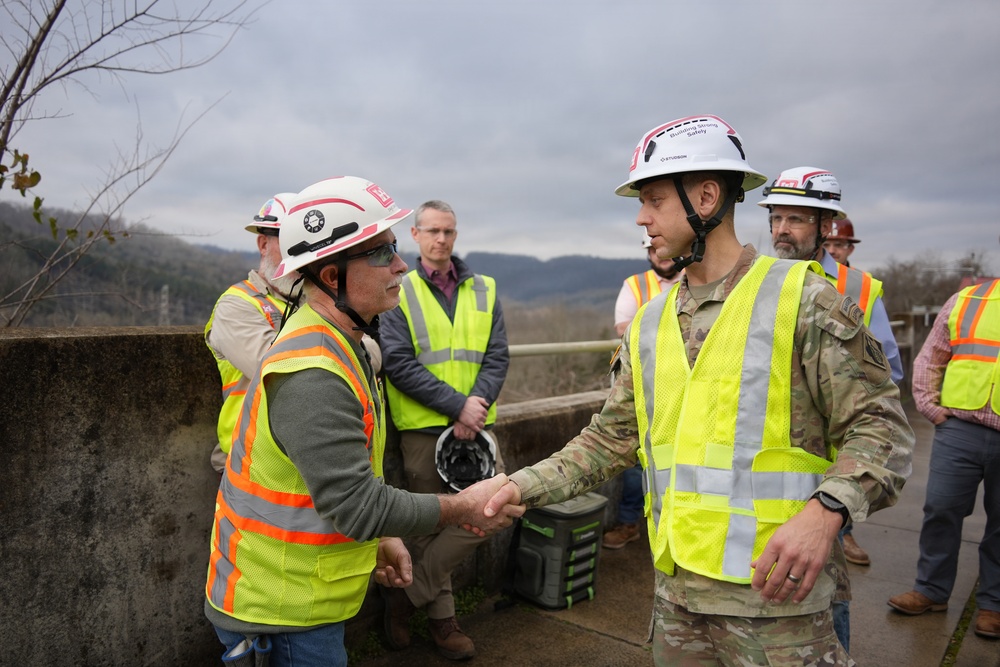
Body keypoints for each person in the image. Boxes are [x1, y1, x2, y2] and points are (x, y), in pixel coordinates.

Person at [483, 115, 913, 666]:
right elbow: (608, 440)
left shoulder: (803, 299)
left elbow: (881, 428)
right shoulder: (650, 321)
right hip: (677, 599)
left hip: (779, 609)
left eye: (654, 200)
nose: (641, 218)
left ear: (707, 197)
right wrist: (513, 488)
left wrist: (827, 510)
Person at [203, 177, 522, 667]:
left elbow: (343, 488)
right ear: (332, 277)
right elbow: (356, 504)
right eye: (380, 254)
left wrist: (379, 537)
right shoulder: (311, 368)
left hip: (298, 599)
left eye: (395, 248)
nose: (399, 264)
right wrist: (462, 507)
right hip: (280, 611)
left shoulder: (339, 341)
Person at [759, 166, 904, 650]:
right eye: (776, 217)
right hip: (771, 455)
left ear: (826, 226)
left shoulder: (860, 290)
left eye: (795, 219)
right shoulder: (756, 284)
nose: (781, 229)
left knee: (825, 585)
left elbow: (887, 382)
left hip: (834, 464)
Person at [380, 199, 510, 660]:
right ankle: (442, 623)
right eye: (432, 231)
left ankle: (403, 598)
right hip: (422, 427)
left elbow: (497, 356)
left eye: (449, 231)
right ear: (415, 235)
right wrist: (458, 406)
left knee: (496, 510)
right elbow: (396, 360)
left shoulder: (485, 288)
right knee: (430, 527)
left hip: (478, 430)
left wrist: (473, 408)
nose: (442, 239)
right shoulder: (399, 288)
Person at [888, 278, 1000, 640]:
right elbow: (931, 356)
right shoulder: (968, 300)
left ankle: (993, 605)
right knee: (940, 509)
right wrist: (930, 408)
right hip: (960, 428)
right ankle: (931, 590)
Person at [204, 193, 299, 473]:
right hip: (251, 462)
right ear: (263, 243)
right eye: (291, 243)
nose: (300, 255)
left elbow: (370, 355)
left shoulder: (315, 302)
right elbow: (281, 373)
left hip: (298, 460)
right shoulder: (236, 304)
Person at [605, 235, 681, 550]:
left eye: (660, 249)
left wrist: (649, 324)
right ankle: (629, 523)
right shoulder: (635, 284)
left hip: (680, 384)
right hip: (643, 384)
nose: (659, 256)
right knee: (637, 460)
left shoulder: (696, 279)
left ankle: (674, 527)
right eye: (652, 251)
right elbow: (624, 327)